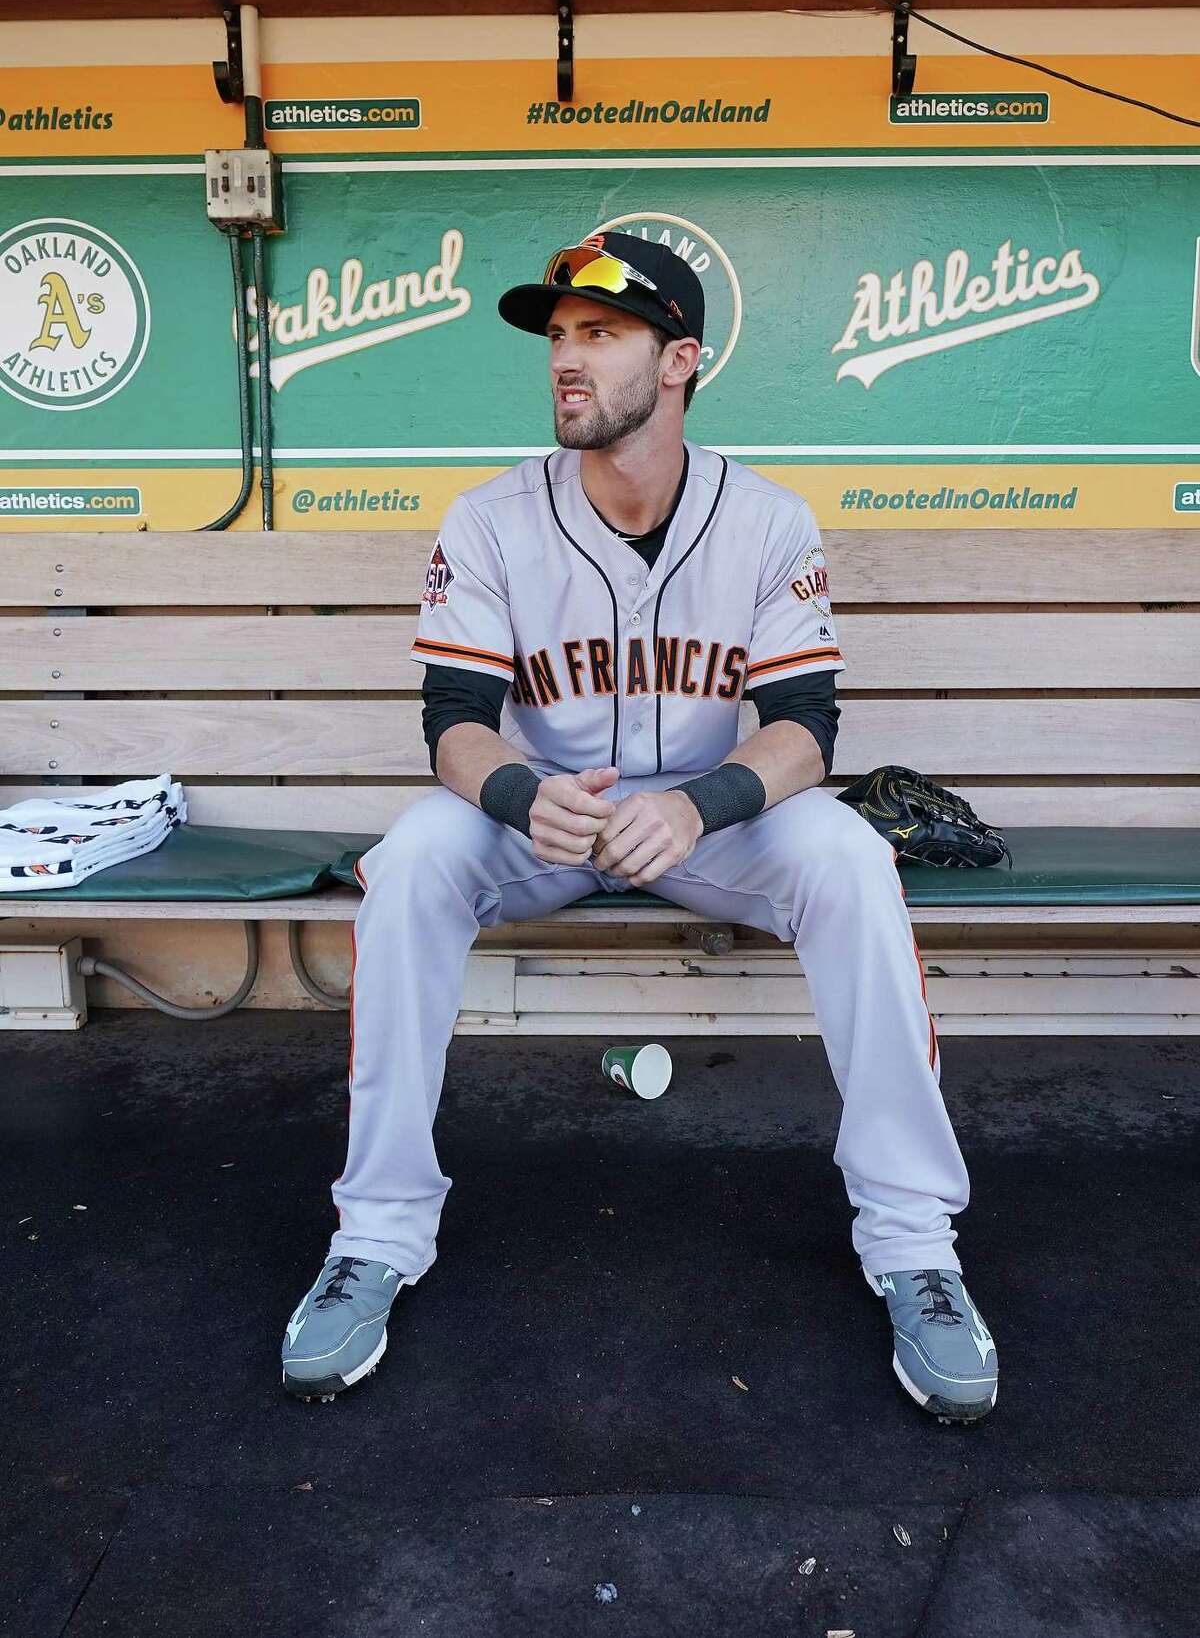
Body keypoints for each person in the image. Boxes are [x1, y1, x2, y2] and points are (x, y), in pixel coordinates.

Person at [281, 231, 997, 1424]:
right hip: (542, 814)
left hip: (710, 824)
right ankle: (379, 1232)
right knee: (410, 861)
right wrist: (515, 792)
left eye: (600, 333)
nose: (567, 357)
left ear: (678, 361)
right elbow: (451, 721)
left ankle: (915, 1241)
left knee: (852, 858)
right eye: (558, 334)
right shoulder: (492, 517)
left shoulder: (766, 518)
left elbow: (805, 730)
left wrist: (698, 802)